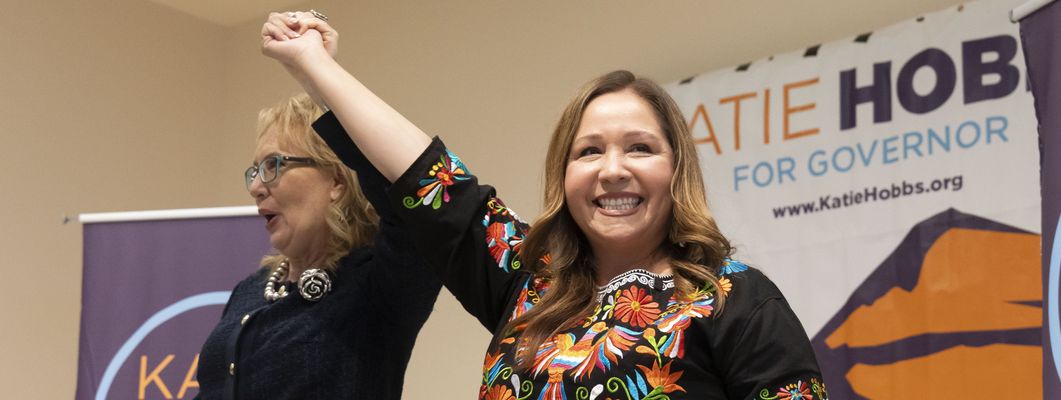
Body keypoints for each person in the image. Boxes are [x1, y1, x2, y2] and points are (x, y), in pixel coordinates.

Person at [262, 10, 827, 400]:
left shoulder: (734, 299)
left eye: (640, 148)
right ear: (565, 175)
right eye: (589, 151)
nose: (612, 169)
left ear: (676, 169)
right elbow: (427, 174)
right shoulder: (528, 279)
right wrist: (314, 65)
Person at [194, 87, 442, 397]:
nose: (255, 187)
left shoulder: (378, 285)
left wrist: (312, 72)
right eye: (255, 171)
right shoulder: (250, 290)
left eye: (273, 165)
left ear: (336, 180)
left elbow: (418, 193)